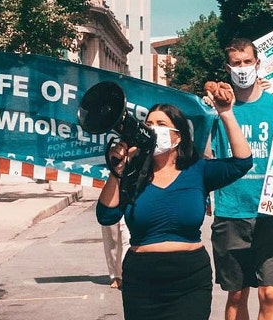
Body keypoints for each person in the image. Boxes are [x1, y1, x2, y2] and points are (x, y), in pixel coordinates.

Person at [96, 97, 252, 319]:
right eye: (149, 124)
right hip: (142, 281)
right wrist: (117, 169)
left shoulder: (198, 170)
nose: (152, 130)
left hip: (189, 279)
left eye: (161, 124)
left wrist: (226, 113)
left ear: (178, 136)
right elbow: (106, 215)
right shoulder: (132, 173)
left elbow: (242, 163)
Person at [208, 38, 273, 320]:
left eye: (247, 62)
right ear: (227, 68)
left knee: (270, 293)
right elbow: (205, 157)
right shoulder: (217, 111)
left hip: (271, 213)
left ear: (258, 64)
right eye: (236, 63)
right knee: (236, 294)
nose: (242, 68)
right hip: (231, 212)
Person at [101, 218, 130, 290]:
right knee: (112, 243)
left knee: (128, 240)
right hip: (110, 210)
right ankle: (116, 276)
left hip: (130, 208)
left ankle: (128, 274)